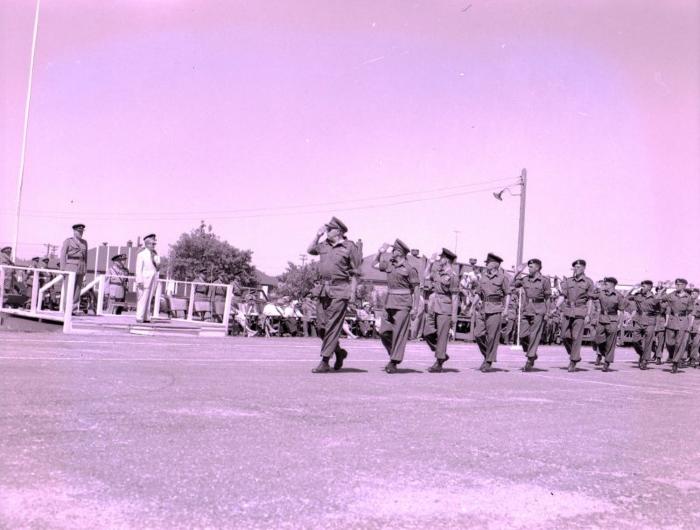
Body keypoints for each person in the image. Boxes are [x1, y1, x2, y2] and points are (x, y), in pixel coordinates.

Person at [307, 216, 362, 373]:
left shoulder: (350, 247)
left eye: (329, 229)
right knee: (321, 328)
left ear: (338, 231)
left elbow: (356, 272)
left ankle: (325, 361)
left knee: (332, 326)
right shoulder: (324, 245)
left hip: (340, 290)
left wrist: (352, 293)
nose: (327, 231)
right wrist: (317, 235)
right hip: (323, 289)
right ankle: (339, 352)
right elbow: (310, 250)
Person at [373, 239, 420, 373]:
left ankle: (394, 362)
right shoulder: (390, 265)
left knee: (399, 333)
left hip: (403, 304)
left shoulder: (410, 269)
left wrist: (415, 308)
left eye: (394, 249)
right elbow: (374, 264)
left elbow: (417, 289)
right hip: (389, 302)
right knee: (383, 332)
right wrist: (379, 252)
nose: (391, 251)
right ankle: (394, 354)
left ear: (400, 252)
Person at [422, 248, 459, 372]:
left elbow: (455, 297)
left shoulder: (453, 276)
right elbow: (425, 275)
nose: (439, 259)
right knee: (427, 332)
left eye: (441, 257)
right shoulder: (438, 272)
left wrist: (454, 315)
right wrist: (430, 263)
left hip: (445, 307)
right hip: (434, 306)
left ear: (446, 260)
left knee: (442, 336)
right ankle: (441, 354)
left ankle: (439, 362)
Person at [511, 258, 552, 371]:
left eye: (531, 267)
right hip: (526, 309)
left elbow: (548, 298)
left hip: (539, 309)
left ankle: (529, 360)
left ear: (538, 267)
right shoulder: (525, 279)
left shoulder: (544, 280)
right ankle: (532, 353)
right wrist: (517, 272)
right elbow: (512, 285)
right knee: (522, 335)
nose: (529, 269)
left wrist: (548, 312)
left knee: (534, 335)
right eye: (528, 267)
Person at [472, 253, 510, 372]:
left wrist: (506, 309)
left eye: (488, 263)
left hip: (495, 309)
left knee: (492, 337)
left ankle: (488, 361)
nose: (486, 264)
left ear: (495, 265)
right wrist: (472, 306)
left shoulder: (503, 278)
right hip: (483, 308)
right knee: (478, 334)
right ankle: (487, 355)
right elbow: (478, 293)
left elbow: (508, 294)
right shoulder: (483, 277)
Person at [555, 259, 595, 372]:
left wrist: (588, 314)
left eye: (578, 267)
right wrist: (557, 306)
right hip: (568, 310)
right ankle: (574, 354)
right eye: (575, 267)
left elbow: (590, 300)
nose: (576, 269)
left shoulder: (588, 282)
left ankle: (573, 360)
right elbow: (563, 295)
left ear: (583, 268)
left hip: (580, 311)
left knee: (576, 337)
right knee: (563, 335)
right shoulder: (568, 281)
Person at [592, 277, 627, 371]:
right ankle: (603, 353)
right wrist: (593, 287)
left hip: (612, 320)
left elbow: (621, 311)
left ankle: (607, 362)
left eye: (606, 284)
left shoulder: (618, 296)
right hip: (602, 319)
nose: (604, 285)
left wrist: (620, 323)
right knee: (597, 339)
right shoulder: (601, 293)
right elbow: (591, 296)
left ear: (612, 285)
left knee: (611, 342)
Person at [627, 280, 664, 368]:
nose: (642, 287)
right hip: (639, 320)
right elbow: (626, 297)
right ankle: (642, 354)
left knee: (648, 342)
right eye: (642, 286)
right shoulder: (638, 295)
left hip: (650, 321)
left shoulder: (654, 298)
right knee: (635, 340)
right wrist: (632, 288)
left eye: (644, 286)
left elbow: (659, 309)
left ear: (650, 287)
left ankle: (644, 360)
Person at [662, 278, 694, 373]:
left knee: (679, 343)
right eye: (676, 284)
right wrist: (665, 288)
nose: (677, 286)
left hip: (682, 321)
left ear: (684, 286)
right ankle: (672, 355)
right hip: (672, 320)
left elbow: (690, 313)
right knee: (669, 342)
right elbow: (658, 298)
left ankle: (675, 363)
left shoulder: (688, 298)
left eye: (679, 284)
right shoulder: (672, 294)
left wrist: (689, 325)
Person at [59, 223, 88, 315]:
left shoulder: (84, 243)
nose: (81, 233)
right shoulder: (68, 241)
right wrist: (62, 269)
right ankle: (67, 309)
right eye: (79, 231)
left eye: (82, 232)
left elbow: (86, 257)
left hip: (81, 267)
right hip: (70, 266)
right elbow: (63, 255)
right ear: (74, 231)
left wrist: (85, 270)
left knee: (77, 290)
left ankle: (74, 309)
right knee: (69, 289)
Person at [135, 233, 161, 323]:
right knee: (142, 298)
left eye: (154, 244)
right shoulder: (141, 254)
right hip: (144, 280)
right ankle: (139, 316)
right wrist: (139, 280)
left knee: (149, 298)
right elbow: (138, 269)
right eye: (153, 244)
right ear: (147, 244)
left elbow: (157, 268)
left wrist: (158, 262)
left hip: (153, 279)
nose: (154, 245)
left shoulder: (155, 254)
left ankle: (146, 317)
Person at [687, 288, 700, 367]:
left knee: (696, 343)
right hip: (688, 324)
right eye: (692, 294)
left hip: (697, 325)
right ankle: (689, 358)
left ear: (698, 294)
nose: (692, 295)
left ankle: (693, 359)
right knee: (689, 343)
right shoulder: (689, 303)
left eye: (694, 294)